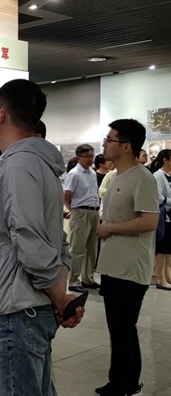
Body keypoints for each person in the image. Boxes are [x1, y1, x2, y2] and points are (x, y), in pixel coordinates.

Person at [0, 79, 84, 396]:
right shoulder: (41, 163)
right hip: (32, 306)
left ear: (1, 114)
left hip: (18, 310)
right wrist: (58, 293)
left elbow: (30, 242)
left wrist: (59, 297)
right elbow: (57, 240)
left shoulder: (19, 165)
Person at [95, 119, 159, 396]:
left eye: (110, 140)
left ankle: (121, 385)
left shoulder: (142, 178)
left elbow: (149, 221)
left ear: (126, 146)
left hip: (130, 268)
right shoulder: (117, 176)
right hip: (113, 265)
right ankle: (126, 382)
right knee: (122, 328)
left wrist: (110, 228)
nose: (105, 144)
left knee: (122, 328)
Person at [64, 144, 101, 293]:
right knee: (78, 248)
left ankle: (88, 278)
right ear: (78, 157)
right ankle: (73, 280)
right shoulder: (74, 174)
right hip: (80, 211)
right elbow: (67, 194)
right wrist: (72, 209)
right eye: (87, 156)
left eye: (92, 156)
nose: (90, 159)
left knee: (92, 248)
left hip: (94, 211)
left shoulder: (92, 173)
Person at [149, 149, 171, 290]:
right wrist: (169, 201)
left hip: (170, 216)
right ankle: (161, 279)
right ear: (165, 160)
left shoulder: (169, 175)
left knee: (169, 250)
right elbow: (157, 196)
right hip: (164, 216)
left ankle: (168, 276)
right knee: (162, 249)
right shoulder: (158, 176)